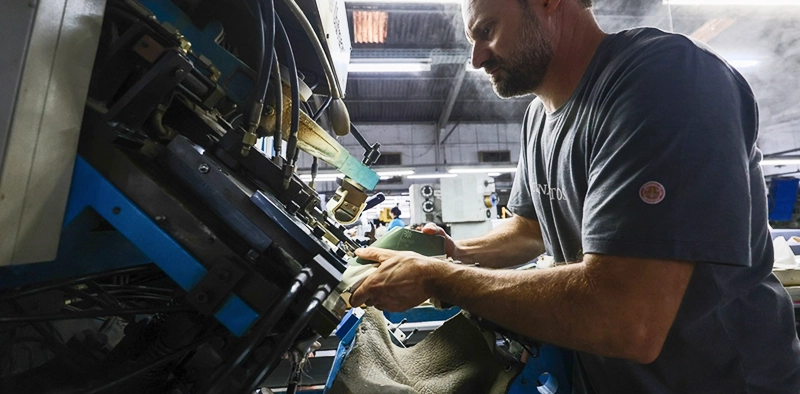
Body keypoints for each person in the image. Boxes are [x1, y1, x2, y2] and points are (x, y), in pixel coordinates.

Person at [349, 0, 800, 392]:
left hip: (716, 380)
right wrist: (456, 251)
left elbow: (627, 316)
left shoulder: (662, 80)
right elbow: (530, 228)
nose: (476, 57)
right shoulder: (538, 119)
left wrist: (439, 278)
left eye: (487, 31)